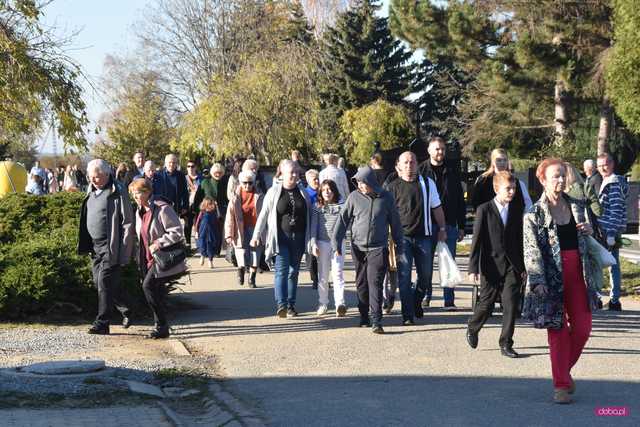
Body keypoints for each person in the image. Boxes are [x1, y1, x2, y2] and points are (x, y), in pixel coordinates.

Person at [522, 158, 598, 404]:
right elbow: (530, 250)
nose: (561, 180)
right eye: (556, 176)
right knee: (558, 331)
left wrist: (588, 231)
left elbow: (591, 236)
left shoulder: (577, 205)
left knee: (584, 328)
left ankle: (562, 370)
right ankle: (561, 385)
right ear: (542, 179)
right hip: (550, 277)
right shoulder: (533, 214)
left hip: (578, 272)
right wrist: (537, 279)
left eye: (563, 175)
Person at [333, 166, 404, 334]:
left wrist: (400, 245)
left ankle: (376, 320)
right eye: (358, 182)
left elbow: (395, 223)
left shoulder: (386, 198)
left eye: (363, 182)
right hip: (358, 247)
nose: (360, 185)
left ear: (371, 181)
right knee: (362, 284)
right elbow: (342, 221)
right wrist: (336, 243)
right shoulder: (354, 197)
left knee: (376, 283)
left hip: (378, 247)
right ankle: (363, 315)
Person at [466, 171, 525, 358]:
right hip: (490, 264)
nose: (512, 192)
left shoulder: (516, 209)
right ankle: (473, 327)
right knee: (486, 303)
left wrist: (523, 267)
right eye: (508, 188)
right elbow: (477, 240)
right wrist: (473, 267)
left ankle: (506, 343)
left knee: (510, 304)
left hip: (512, 265)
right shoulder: (484, 209)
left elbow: (519, 239)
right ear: (496, 188)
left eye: (514, 188)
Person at [385, 151, 446, 325]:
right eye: (406, 162)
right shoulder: (392, 187)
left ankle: (416, 300)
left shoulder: (427, 184)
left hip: (424, 237)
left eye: (412, 162)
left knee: (426, 276)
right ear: (399, 166)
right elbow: (386, 214)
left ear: (417, 164)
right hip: (401, 239)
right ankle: (407, 315)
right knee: (404, 278)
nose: (409, 165)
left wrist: (442, 228)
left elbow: (437, 208)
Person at [78, 159, 134, 335]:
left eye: (96, 177)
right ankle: (128, 309)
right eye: (91, 177)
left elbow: (127, 222)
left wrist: (126, 250)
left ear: (106, 174)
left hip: (111, 246)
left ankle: (102, 323)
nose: (93, 180)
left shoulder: (117, 191)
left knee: (103, 282)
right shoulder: (91, 190)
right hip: (95, 247)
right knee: (100, 283)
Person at [251, 160, 314, 317]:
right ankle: (282, 305)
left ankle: (291, 305)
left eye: (296, 172)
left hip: (298, 238)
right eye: (291, 172)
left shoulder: (303, 192)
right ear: (282, 174)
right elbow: (263, 215)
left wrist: (313, 239)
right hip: (280, 239)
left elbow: (311, 215)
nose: (294, 175)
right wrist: (256, 235)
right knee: (281, 271)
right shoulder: (273, 192)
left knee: (293, 272)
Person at [130, 178, 187, 339]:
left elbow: (177, 231)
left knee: (148, 286)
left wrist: (158, 243)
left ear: (148, 192)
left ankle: (161, 325)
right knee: (155, 290)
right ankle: (162, 326)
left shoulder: (163, 208)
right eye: (133, 194)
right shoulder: (139, 210)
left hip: (160, 257)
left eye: (138, 193)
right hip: (146, 257)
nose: (135, 197)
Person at [419, 136, 467, 309]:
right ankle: (425, 295)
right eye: (437, 149)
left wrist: (461, 226)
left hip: (450, 223)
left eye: (442, 149)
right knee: (425, 264)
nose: (440, 152)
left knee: (449, 262)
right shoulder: (421, 171)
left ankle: (449, 299)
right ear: (429, 150)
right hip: (426, 224)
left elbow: (460, 200)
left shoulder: (452, 170)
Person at [596, 153, 629, 311]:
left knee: (602, 264)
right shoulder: (609, 181)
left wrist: (610, 233)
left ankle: (606, 299)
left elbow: (616, 210)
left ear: (612, 164)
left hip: (609, 230)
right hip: (609, 229)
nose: (603, 167)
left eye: (606, 164)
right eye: (600, 165)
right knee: (611, 264)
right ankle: (613, 299)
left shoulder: (614, 183)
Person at [310, 179, 347, 316]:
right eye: (324, 189)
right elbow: (313, 227)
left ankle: (340, 304)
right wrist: (313, 244)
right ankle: (323, 303)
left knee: (338, 274)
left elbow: (344, 226)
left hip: (338, 244)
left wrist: (338, 243)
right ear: (320, 191)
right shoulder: (317, 207)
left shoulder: (342, 205)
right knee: (323, 275)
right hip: (322, 243)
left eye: (330, 189)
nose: (327, 192)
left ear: (334, 191)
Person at [226, 170, 264, 288]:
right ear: (240, 183)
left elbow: (266, 213)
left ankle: (252, 278)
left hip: (256, 228)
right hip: (239, 228)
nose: (247, 185)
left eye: (250, 183)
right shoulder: (235, 197)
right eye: (245, 183)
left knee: (255, 253)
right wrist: (228, 234)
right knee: (241, 251)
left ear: (254, 182)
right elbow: (229, 217)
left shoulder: (260, 195)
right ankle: (241, 269)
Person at [194, 162, 229, 256]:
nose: (218, 174)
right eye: (216, 172)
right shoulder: (205, 182)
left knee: (219, 231)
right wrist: (196, 209)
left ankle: (217, 250)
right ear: (212, 172)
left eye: (220, 172)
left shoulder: (225, 182)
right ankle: (206, 251)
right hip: (208, 211)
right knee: (208, 232)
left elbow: (228, 197)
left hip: (221, 210)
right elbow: (198, 197)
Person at [305, 169, 320, 289]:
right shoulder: (306, 194)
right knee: (311, 256)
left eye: (317, 178)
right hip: (309, 227)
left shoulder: (323, 192)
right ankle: (315, 278)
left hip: (322, 227)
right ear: (308, 181)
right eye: (314, 179)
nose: (317, 181)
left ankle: (322, 277)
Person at [195, 196, 220, 269]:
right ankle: (202, 256)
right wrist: (196, 231)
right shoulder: (202, 212)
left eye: (212, 204)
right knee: (202, 245)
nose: (211, 205)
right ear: (205, 205)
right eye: (209, 204)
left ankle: (210, 260)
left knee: (210, 247)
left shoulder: (214, 212)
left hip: (212, 233)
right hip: (203, 233)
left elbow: (218, 220)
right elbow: (197, 222)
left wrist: (217, 206)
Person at [184, 160, 202, 248]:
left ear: (196, 167)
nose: (190, 168)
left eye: (192, 166)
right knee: (187, 225)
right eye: (188, 166)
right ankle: (188, 244)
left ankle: (199, 246)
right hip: (187, 205)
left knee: (198, 225)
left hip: (198, 205)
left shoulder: (201, 178)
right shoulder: (184, 178)